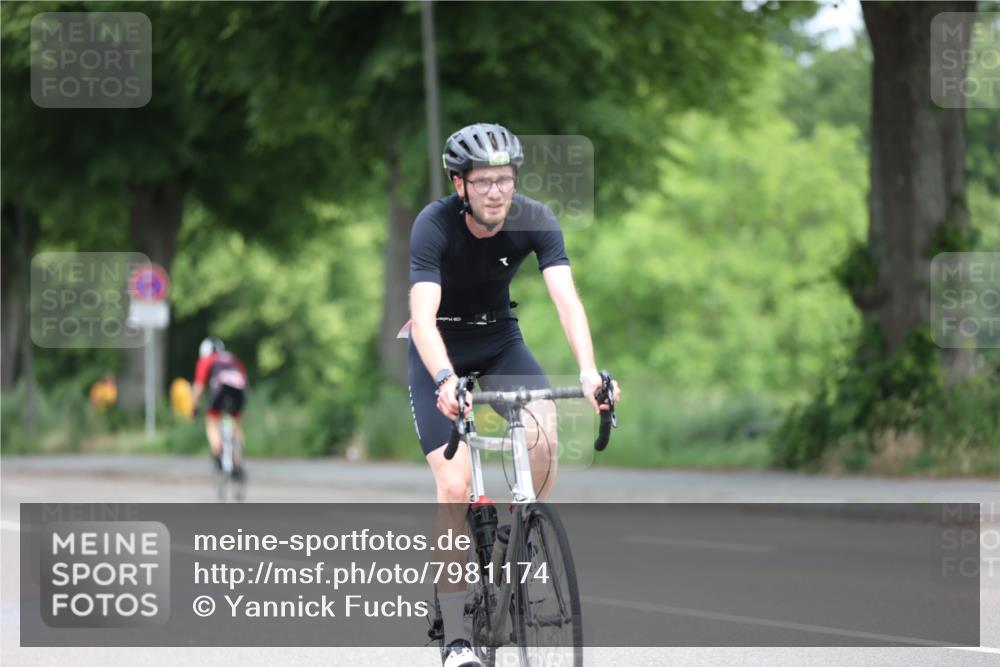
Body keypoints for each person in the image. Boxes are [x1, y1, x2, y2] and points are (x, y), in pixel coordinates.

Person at [407, 123, 621, 667]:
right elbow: (422, 318)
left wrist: (590, 371)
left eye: (505, 179)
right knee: (454, 486)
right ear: (460, 185)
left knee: (545, 434)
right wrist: (444, 381)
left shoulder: (535, 219)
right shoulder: (433, 226)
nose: (497, 191)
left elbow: (567, 302)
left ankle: (519, 533)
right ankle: (456, 638)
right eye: (483, 182)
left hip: (501, 340)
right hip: (440, 348)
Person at [192, 336, 248, 478]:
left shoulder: (207, 360)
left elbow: (198, 388)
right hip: (239, 389)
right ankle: (238, 460)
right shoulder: (232, 358)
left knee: (212, 420)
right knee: (236, 423)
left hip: (221, 388)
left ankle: (218, 452)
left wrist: (194, 408)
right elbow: (244, 380)